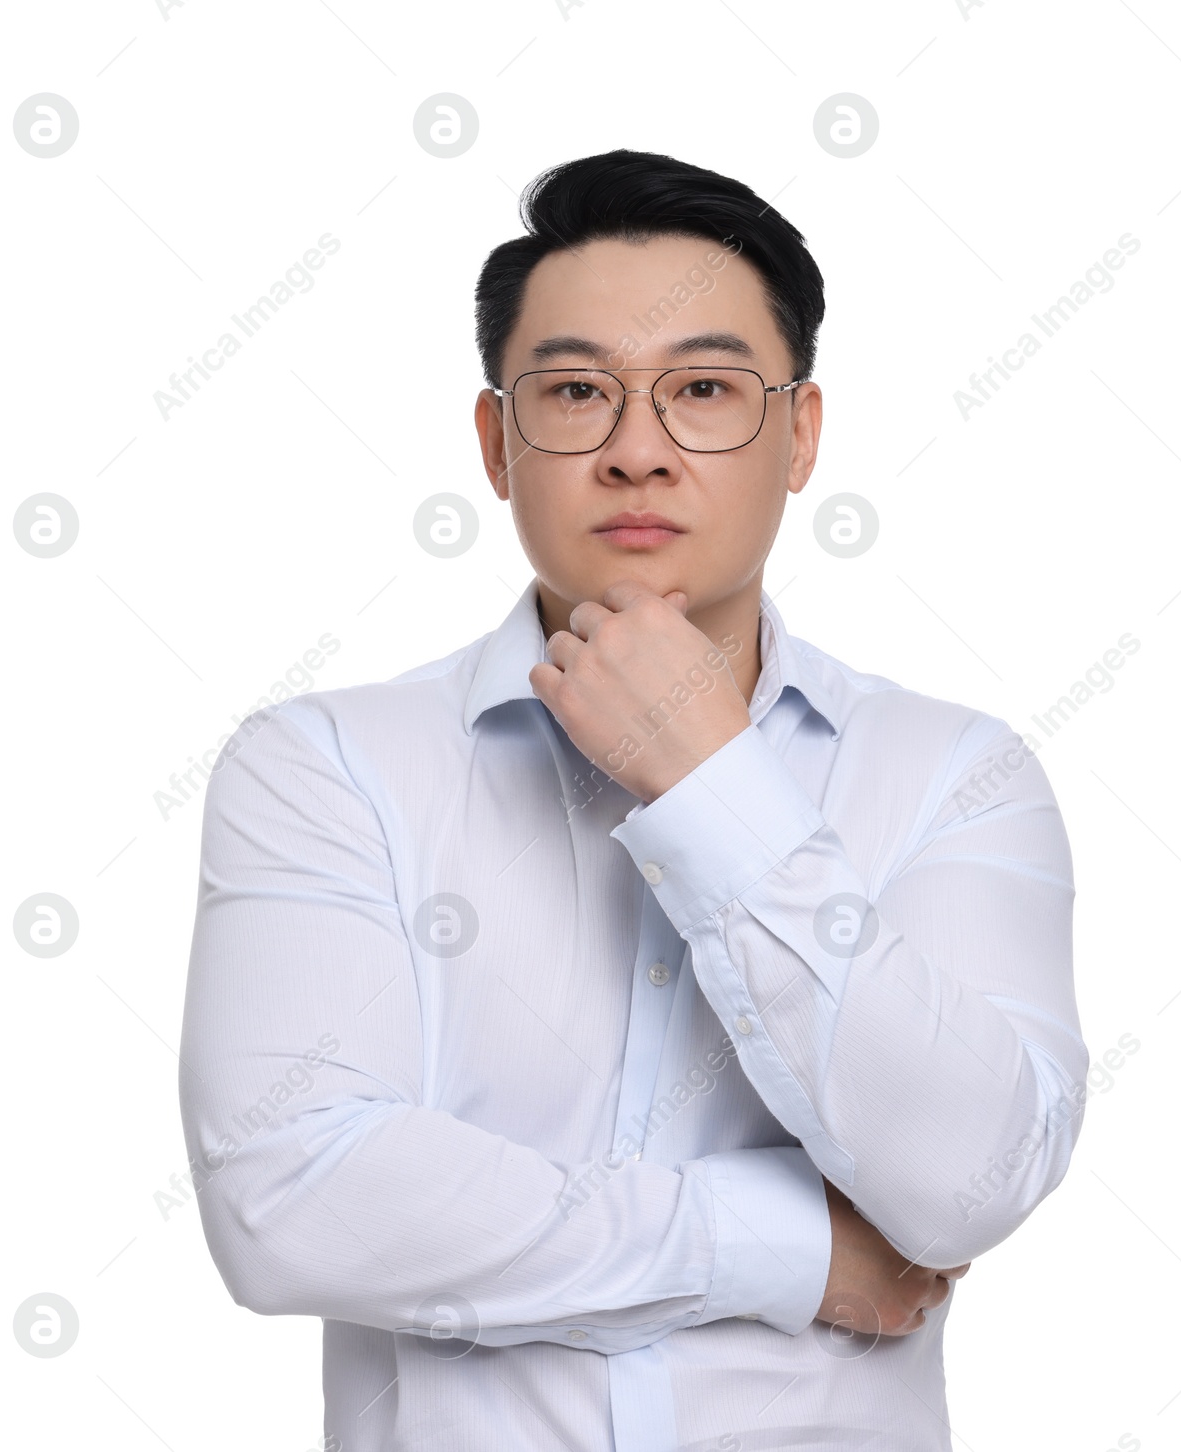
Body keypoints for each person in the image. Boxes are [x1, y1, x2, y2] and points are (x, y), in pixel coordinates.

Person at [178, 147, 1088, 1452]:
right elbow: (291, 1199)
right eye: (576, 394)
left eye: (705, 391)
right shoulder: (328, 765)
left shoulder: (958, 775)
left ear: (801, 435)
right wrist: (790, 1247)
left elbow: (968, 1182)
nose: (638, 452)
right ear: (498, 444)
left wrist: (710, 778)